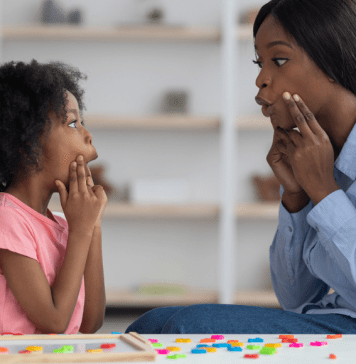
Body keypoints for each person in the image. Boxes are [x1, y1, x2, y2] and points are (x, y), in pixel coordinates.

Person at [125, 0, 356, 334]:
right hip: (339, 318)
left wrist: (324, 191)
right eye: (259, 63)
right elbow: (295, 297)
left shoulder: (321, 172)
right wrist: (297, 196)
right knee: (154, 322)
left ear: (331, 57)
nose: (261, 80)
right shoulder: (316, 156)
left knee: (186, 326)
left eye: (279, 60)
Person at [0, 59, 107, 334]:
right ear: (28, 142)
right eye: (73, 123)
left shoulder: (62, 223)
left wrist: (92, 225)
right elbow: (54, 322)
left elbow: (90, 322)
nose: (87, 135)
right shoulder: (8, 219)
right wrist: (82, 230)